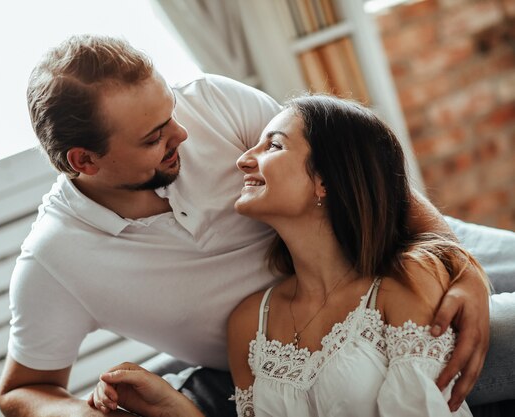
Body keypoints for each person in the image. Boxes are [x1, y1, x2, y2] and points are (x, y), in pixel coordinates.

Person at [0, 34, 512, 417]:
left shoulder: (216, 101)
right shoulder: (55, 260)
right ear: (84, 161)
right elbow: (21, 390)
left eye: (171, 110)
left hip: (397, 243)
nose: (183, 132)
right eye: (155, 137)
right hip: (265, 348)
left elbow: (361, 179)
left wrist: (459, 264)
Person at [90, 94, 487, 416]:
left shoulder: (407, 278)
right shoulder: (249, 323)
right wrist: (171, 408)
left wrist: (468, 270)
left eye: (273, 145)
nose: (244, 160)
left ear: (326, 180)